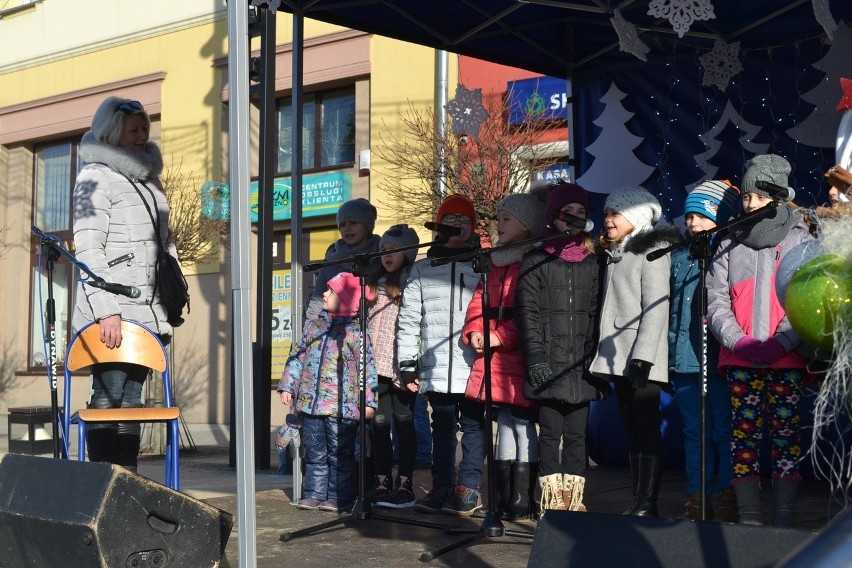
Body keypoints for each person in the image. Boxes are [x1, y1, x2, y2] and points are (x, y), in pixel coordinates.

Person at [72, 96, 180, 472]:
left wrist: (173, 294)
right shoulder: (92, 177)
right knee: (108, 394)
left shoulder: (152, 182)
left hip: (148, 312)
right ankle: (104, 474)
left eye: (145, 130)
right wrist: (107, 312)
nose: (142, 136)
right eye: (134, 130)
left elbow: (166, 245)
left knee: (132, 396)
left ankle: (127, 476)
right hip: (112, 312)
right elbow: (86, 247)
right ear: (112, 132)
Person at [707, 154, 814, 527]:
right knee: (744, 436)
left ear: (776, 198)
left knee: (786, 435)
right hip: (741, 359)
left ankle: (784, 513)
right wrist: (740, 343)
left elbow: (806, 300)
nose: (747, 204)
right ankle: (749, 514)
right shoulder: (728, 241)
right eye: (746, 197)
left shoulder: (800, 239)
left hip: (786, 359)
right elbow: (716, 301)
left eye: (755, 197)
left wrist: (782, 343)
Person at [589, 185, 680, 517]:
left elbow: (656, 307)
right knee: (630, 428)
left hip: (641, 358)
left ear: (636, 216)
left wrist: (642, 357)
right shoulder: (617, 252)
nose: (608, 221)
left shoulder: (652, 251)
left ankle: (648, 502)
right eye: (606, 215)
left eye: (614, 214)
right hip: (619, 356)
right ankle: (637, 498)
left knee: (645, 427)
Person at [515, 182, 606, 514]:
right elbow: (527, 312)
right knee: (550, 434)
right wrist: (536, 357)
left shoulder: (593, 261)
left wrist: (594, 357)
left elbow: (597, 312)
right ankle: (552, 499)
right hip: (549, 363)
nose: (576, 218)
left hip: (581, 365)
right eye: (570, 212)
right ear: (554, 215)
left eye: (582, 213)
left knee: (577, 435)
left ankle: (573, 498)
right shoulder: (536, 259)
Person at [397, 194, 484, 515]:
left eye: (465, 220)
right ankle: (442, 485)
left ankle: (470, 487)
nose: (458, 226)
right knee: (443, 428)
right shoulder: (422, 269)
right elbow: (409, 320)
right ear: (439, 226)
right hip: (436, 368)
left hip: (474, 367)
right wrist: (407, 364)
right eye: (451, 220)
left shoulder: (483, 264)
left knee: (474, 427)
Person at [461, 193, 545, 520]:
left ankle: (523, 496)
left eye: (507, 218)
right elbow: (478, 302)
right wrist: (475, 331)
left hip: (518, 357)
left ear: (526, 226)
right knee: (505, 425)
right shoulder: (495, 262)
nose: (499, 224)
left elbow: (530, 313)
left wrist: (498, 336)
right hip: (495, 358)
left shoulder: (531, 261)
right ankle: (502, 493)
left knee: (524, 425)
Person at [668, 180, 741, 522]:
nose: (693, 223)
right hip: (685, 357)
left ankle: (727, 494)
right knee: (693, 430)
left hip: (719, 357)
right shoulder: (680, 256)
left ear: (720, 217)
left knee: (723, 428)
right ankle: (697, 496)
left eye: (701, 216)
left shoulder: (729, 252)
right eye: (689, 216)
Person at [279, 272, 378, 513]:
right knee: (314, 452)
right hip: (311, 404)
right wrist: (288, 385)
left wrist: (369, 402)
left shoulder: (356, 333)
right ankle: (314, 493)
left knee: (340, 454)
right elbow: (297, 356)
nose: (324, 293)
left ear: (344, 299)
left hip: (341, 408)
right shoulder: (313, 327)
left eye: (331, 291)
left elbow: (368, 370)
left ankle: (338, 495)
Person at [366, 224, 421, 508]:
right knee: (379, 423)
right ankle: (382, 480)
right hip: (376, 366)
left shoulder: (411, 281)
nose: (387, 256)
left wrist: (412, 365)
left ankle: (405, 482)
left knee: (404, 423)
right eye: (383, 250)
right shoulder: (373, 282)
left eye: (394, 251)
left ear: (408, 253)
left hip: (400, 365)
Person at [304, 198, 381, 322]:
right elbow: (317, 299)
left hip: (373, 328)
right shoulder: (332, 258)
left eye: (353, 223)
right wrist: (310, 329)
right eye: (342, 225)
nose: (347, 228)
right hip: (335, 333)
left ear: (368, 225)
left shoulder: (382, 255)